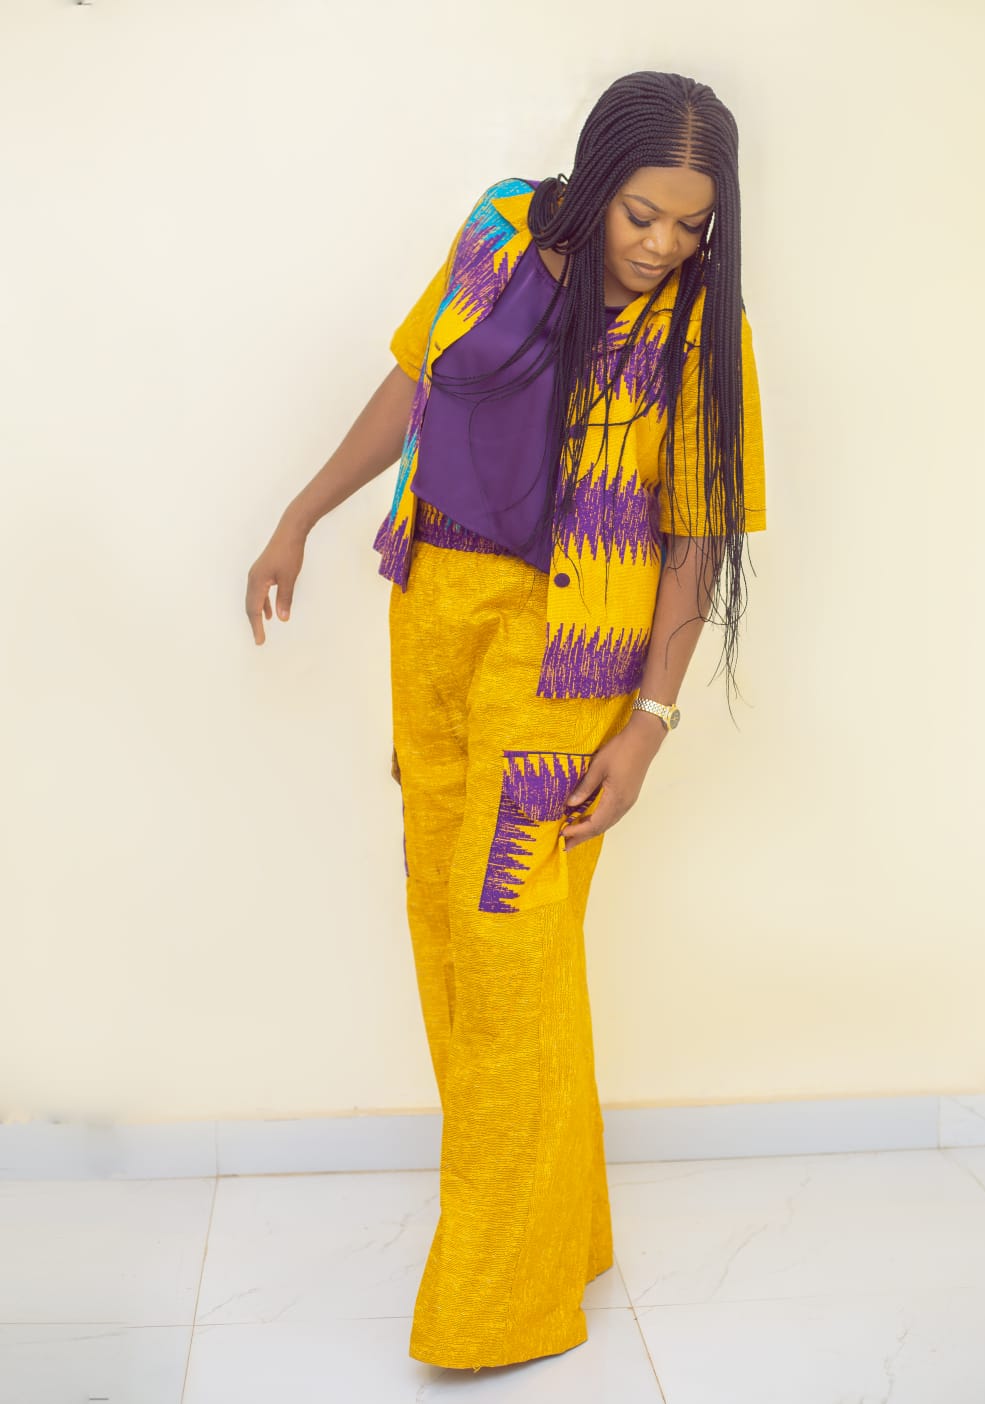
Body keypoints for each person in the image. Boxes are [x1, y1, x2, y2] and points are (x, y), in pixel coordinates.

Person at [245, 69, 766, 1372]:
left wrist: (649, 724)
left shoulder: (705, 336)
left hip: (566, 660)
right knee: (448, 932)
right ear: (596, 185)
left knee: (506, 948)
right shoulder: (497, 231)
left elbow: (696, 536)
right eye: (644, 214)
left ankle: (497, 1302)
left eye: (691, 223)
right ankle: (564, 1232)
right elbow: (414, 380)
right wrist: (300, 513)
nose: (664, 244)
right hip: (432, 616)